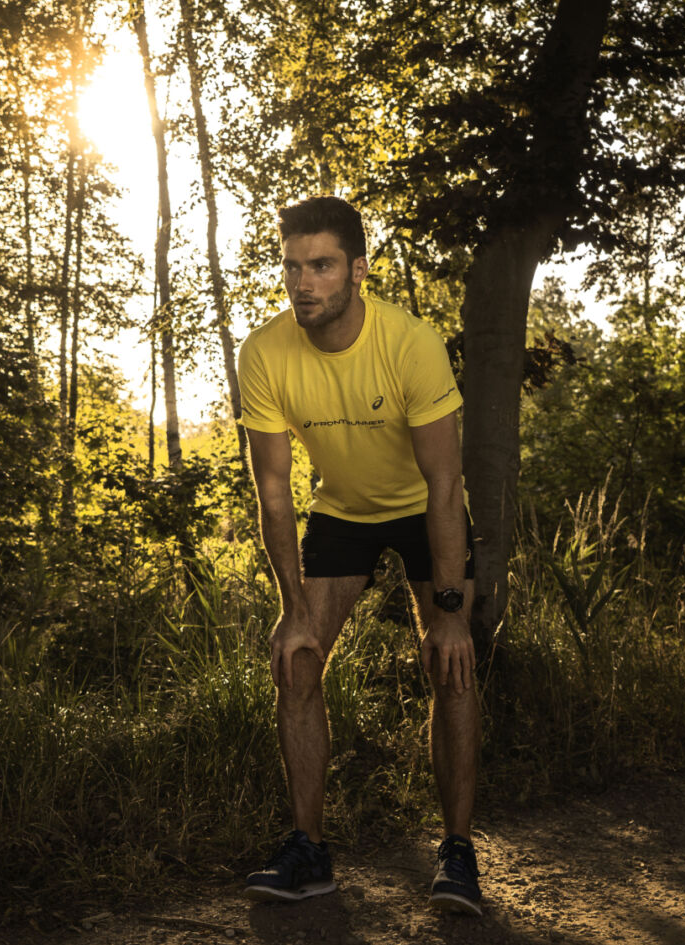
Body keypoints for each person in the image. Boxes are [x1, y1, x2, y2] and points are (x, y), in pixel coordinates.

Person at [236, 195, 483, 915]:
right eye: (292, 267)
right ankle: (309, 849)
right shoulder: (264, 351)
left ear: (358, 270)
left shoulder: (410, 342)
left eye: (321, 265)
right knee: (296, 660)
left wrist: (447, 610)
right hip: (340, 508)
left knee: (452, 662)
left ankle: (458, 851)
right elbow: (275, 491)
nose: (304, 282)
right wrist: (291, 610)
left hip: (421, 509)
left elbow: (445, 484)